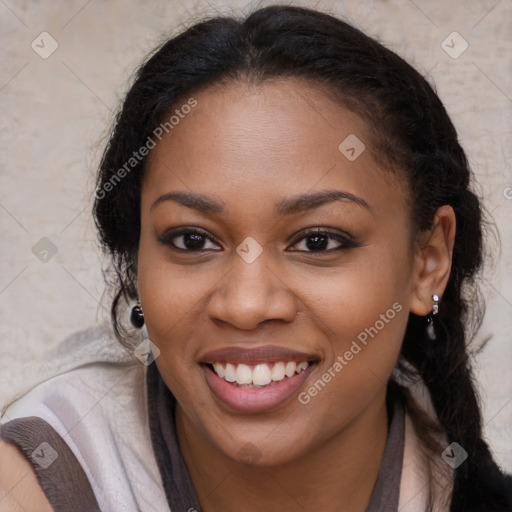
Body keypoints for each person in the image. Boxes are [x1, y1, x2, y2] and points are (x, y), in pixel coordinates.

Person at [1, 5, 510, 511]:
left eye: (317, 242)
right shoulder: (30, 488)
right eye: (192, 240)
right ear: (136, 265)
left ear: (428, 260)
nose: (245, 305)